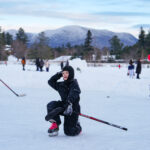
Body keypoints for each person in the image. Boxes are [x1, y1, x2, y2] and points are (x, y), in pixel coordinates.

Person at [45, 65, 82, 136]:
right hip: (64, 106)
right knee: (51, 105)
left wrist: (69, 103)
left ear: (71, 74)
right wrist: (58, 74)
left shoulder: (74, 84)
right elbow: (50, 82)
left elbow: (72, 95)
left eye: (67, 73)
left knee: (69, 132)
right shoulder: (61, 84)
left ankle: (77, 125)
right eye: (63, 73)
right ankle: (55, 125)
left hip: (72, 109)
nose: (64, 75)